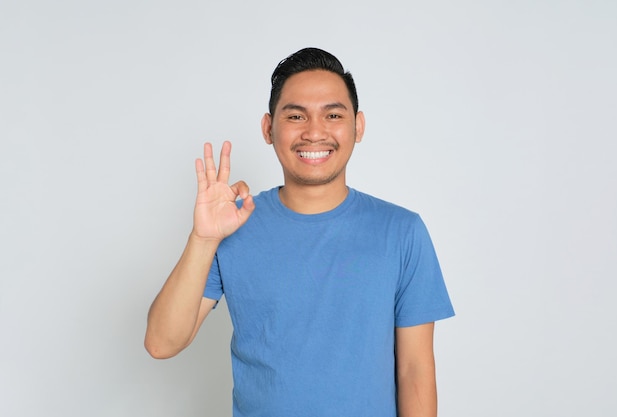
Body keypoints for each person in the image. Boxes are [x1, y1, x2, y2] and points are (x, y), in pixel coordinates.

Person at [144, 47, 454, 417]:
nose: (314, 132)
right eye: (296, 115)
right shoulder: (234, 227)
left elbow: (415, 370)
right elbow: (162, 343)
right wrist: (204, 239)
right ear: (268, 128)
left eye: (333, 114)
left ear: (358, 126)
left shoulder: (402, 232)